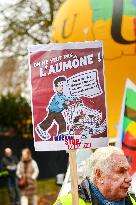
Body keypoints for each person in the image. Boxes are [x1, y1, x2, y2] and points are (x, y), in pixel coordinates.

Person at [53, 146, 136, 205]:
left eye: (127, 171)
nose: (129, 178)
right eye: (121, 171)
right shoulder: (69, 202)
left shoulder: (133, 201)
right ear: (99, 175)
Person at [35, 76, 77, 140]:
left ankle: (62, 133)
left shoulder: (62, 95)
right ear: (56, 88)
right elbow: (60, 103)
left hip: (58, 111)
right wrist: (65, 105)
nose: (62, 87)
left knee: (62, 121)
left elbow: (67, 98)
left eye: (63, 85)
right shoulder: (57, 96)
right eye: (60, 86)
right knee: (49, 120)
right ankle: (41, 128)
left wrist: (74, 98)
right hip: (53, 110)